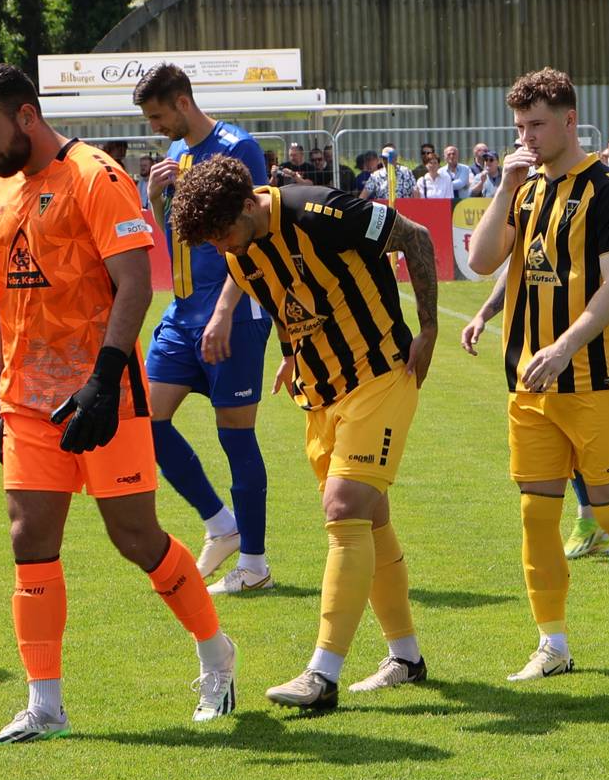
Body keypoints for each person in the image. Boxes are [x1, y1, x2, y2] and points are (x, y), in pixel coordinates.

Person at [0, 64, 235, 744]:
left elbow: (136, 283)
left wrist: (106, 380)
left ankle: (216, 655)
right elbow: (6, 300)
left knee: (135, 537)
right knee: (30, 538)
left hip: (103, 392)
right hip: (28, 399)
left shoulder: (96, 176)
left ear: (27, 116)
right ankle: (45, 705)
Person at [172, 158, 441, 710]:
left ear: (250, 204)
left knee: (344, 509)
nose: (223, 246)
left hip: (381, 371)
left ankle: (322, 675)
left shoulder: (318, 210)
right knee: (372, 519)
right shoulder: (238, 247)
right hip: (320, 390)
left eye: (224, 232)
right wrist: (293, 352)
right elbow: (283, 299)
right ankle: (406, 657)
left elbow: (414, 236)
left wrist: (431, 325)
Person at [464, 68, 609, 678]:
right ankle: (552, 644)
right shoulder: (524, 190)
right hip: (528, 381)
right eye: (519, 126)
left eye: (537, 125)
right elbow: (483, 260)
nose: (526, 136)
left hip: (596, 380)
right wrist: (504, 188)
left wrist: (566, 346)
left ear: (570, 120)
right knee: (536, 514)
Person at [131, 63, 278, 597]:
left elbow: (257, 237)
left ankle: (255, 563)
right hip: (182, 311)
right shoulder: (174, 157)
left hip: (233, 312)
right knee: (144, 419)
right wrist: (153, 198)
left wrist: (222, 311)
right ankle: (221, 524)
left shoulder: (238, 148)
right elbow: (178, 238)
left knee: (234, 434)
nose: (154, 127)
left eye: (157, 116)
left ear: (183, 102)